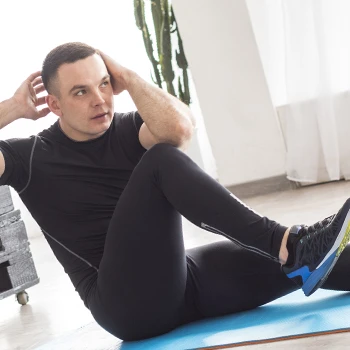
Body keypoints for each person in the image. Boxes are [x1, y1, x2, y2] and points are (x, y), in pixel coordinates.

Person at [0, 42, 350, 342]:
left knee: (309, 260)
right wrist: (14, 108)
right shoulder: (26, 157)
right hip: (126, 305)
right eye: (81, 91)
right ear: (56, 105)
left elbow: (180, 128)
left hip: (180, 282)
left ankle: (295, 248)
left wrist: (129, 77)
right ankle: (288, 241)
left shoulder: (126, 128)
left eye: (104, 84)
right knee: (161, 161)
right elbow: (168, 154)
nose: (99, 99)